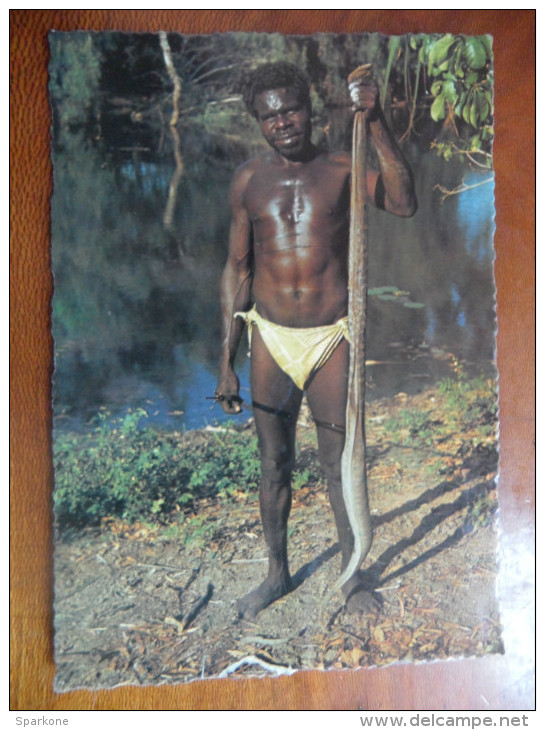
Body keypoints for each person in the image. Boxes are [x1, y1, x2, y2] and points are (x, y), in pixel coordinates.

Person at [215, 62, 416, 620]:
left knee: (340, 463)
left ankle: (355, 578)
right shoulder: (249, 181)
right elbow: (237, 269)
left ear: (310, 106)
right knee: (273, 462)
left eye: (291, 109)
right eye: (270, 115)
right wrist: (226, 360)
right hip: (271, 340)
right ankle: (277, 574)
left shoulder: (342, 166)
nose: (283, 123)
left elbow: (403, 202)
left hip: (332, 338)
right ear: (258, 120)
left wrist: (374, 123)